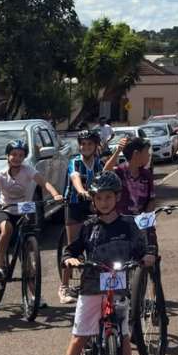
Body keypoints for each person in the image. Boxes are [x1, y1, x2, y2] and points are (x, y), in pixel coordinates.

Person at [56, 172, 155, 355]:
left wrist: (147, 256)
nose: (104, 202)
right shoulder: (89, 227)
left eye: (108, 197)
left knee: (122, 335)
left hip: (118, 288)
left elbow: (142, 248)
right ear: (93, 201)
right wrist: (70, 259)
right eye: (99, 198)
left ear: (117, 197)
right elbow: (71, 250)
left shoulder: (129, 224)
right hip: (91, 287)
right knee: (79, 335)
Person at [0, 140, 63, 282]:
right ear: (7, 156)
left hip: (23, 209)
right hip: (5, 209)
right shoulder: (0, 174)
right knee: (7, 229)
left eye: (21, 155)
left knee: (27, 244)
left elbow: (45, 183)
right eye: (13, 154)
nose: (17, 158)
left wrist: (55, 195)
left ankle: (34, 296)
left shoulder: (29, 170)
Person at [59, 130, 103, 304]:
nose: (85, 147)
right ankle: (63, 287)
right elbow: (75, 178)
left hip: (92, 204)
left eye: (89, 144)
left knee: (99, 241)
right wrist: (82, 191)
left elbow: (103, 180)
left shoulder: (99, 163)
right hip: (75, 204)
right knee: (73, 248)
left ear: (95, 146)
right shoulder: (75, 162)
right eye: (83, 144)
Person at [105, 136, 156, 217]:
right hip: (122, 222)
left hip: (142, 221)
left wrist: (146, 221)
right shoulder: (119, 172)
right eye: (146, 152)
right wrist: (118, 151)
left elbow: (151, 200)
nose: (149, 155)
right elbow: (105, 172)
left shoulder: (147, 174)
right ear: (136, 154)